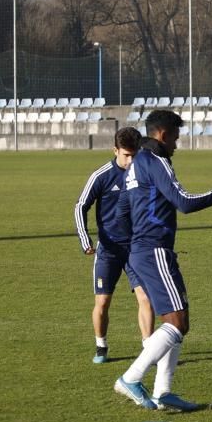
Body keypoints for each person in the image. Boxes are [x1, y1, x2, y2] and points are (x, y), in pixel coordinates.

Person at [113, 110, 212, 411]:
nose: (177, 143)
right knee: (178, 322)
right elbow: (184, 203)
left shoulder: (135, 164)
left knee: (175, 320)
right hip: (154, 250)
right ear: (162, 133)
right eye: (175, 136)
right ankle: (132, 377)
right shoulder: (157, 161)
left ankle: (163, 392)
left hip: (142, 250)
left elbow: (122, 209)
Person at [74, 126, 153, 364]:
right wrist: (85, 239)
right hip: (108, 249)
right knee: (103, 301)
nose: (130, 161)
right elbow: (80, 206)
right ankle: (101, 346)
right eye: (126, 155)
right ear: (115, 150)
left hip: (136, 249)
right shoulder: (101, 175)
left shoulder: (144, 174)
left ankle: (148, 350)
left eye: (134, 155)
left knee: (145, 298)